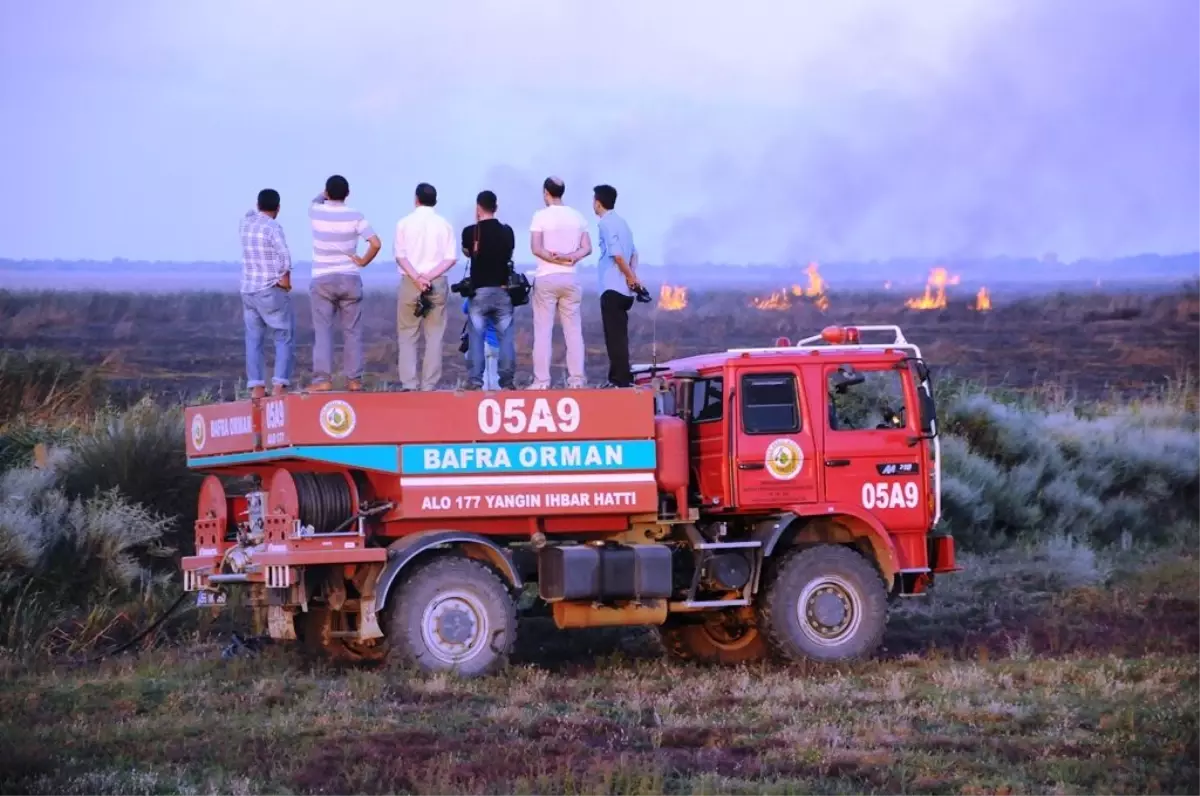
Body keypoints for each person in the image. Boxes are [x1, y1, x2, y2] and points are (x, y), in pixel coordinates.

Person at [308, 175, 381, 391]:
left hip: (323, 278)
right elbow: (376, 243)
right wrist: (363, 261)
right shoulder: (356, 215)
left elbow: (316, 199)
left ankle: (322, 380)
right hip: (349, 277)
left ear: (327, 193)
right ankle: (354, 380)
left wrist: (325, 193)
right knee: (352, 332)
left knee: (323, 331)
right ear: (348, 194)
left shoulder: (316, 211)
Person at [393, 182, 457, 391]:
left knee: (408, 334)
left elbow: (400, 256)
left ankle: (409, 384)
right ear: (435, 201)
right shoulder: (444, 224)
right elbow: (450, 258)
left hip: (410, 282)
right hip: (436, 282)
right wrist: (429, 277)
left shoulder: (404, 223)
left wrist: (417, 278)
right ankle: (429, 385)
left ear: (416, 199)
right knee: (435, 335)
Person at [529, 176, 591, 389]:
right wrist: (571, 257)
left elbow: (536, 248)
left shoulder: (540, 216)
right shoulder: (577, 216)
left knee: (543, 332)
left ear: (546, 192)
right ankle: (576, 380)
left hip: (546, 277)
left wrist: (553, 257)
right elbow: (587, 248)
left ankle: (542, 381)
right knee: (573, 332)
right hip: (571, 277)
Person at [239, 188, 295, 399]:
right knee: (283, 335)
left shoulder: (245, 225)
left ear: (257, 205)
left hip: (248, 290)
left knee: (254, 339)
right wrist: (285, 278)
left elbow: (247, 214)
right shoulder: (273, 227)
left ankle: (256, 387)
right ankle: (279, 384)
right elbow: (285, 257)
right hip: (270, 288)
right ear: (278, 208)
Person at [460, 190, 516, 390]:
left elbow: (467, 252)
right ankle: (508, 382)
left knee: (476, 337)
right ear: (496, 207)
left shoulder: (469, 232)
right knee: (506, 338)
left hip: (479, 292)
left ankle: (475, 381)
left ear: (478, 208)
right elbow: (509, 251)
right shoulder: (507, 232)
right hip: (502, 292)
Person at [592, 184, 640, 388]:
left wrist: (629, 276)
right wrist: (632, 278)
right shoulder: (624, 224)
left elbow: (617, 254)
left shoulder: (605, 224)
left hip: (612, 287)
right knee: (620, 335)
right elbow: (634, 254)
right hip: (625, 291)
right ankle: (622, 376)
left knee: (614, 338)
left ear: (598, 202)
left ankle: (618, 380)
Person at [461, 297, 500, 390]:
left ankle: (485, 399)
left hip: (481, 343)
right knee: (495, 376)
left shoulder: (475, 295)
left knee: (483, 379)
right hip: (497, 343)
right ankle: (497, 398)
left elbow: (465, 309)